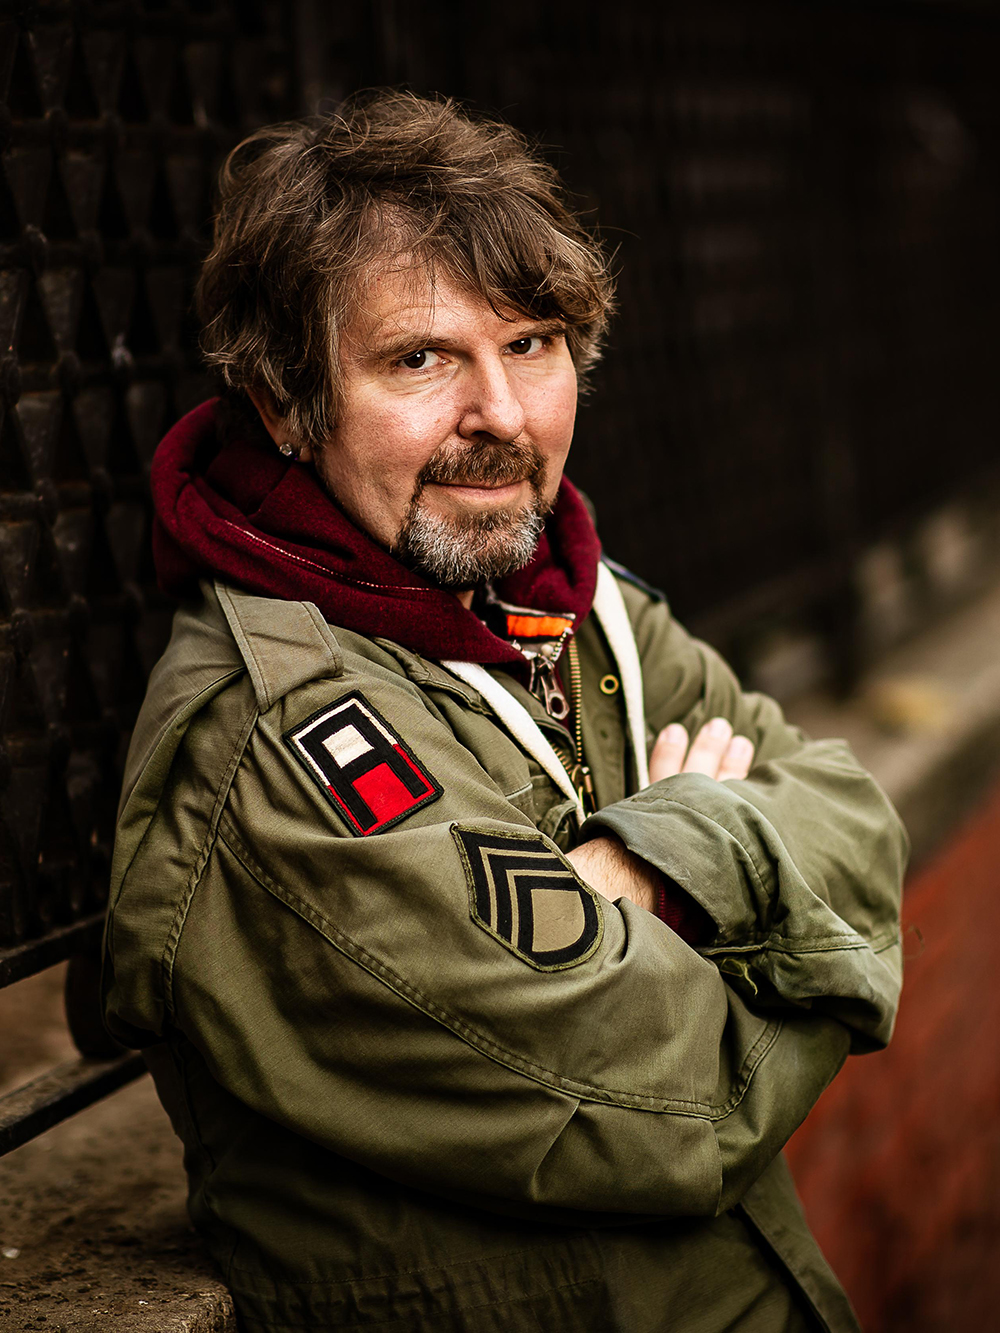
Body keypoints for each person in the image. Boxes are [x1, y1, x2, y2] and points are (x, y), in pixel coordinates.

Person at [102, 91, 906, 1333]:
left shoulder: (570, 604)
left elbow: (857, 822)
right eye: (419, 360)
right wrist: (797, 940)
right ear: (284, 403)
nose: (503, 417)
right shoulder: (285, 738)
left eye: (531, 343)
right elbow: (687, 1105)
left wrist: (659, 862)